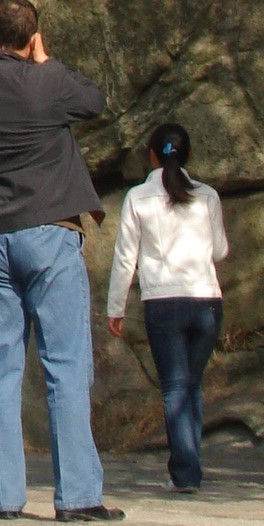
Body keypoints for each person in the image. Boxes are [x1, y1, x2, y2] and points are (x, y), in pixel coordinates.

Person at [0, 0, 122, 524]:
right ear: (33, 38)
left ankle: (6, 498)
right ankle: (77, 496)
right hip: (48, 230)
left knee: (0, 364)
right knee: (65, 363)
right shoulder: (48, 81)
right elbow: (95, 102)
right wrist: (46, 65)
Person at [107, 123, 228, 493]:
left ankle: (187, 471)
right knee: (191, 385)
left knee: (175, 388)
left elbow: (125, 258)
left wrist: (116, 307)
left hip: (162, 302)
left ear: (152, 155)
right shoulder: (207, 196)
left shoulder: (138, 197)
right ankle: (188, 464)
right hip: (207, 300)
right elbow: (221, 250)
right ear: (188, 155)